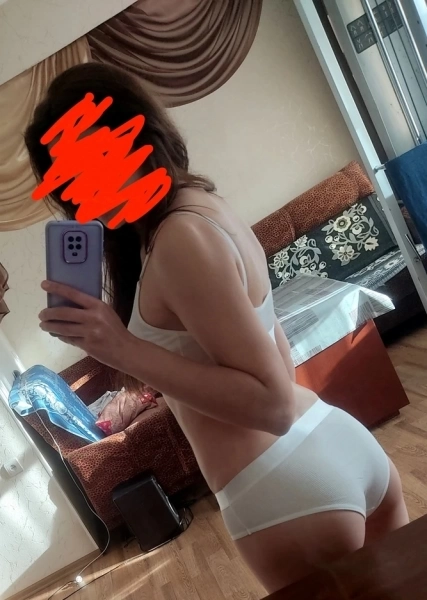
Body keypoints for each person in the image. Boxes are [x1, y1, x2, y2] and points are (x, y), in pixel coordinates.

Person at [25, 63, 409, 594]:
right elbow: (266, 369)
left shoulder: (179, 238)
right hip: (330, 444)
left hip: (282, 487)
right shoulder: (198, 208)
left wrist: (121, 347)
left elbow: (272, 404)